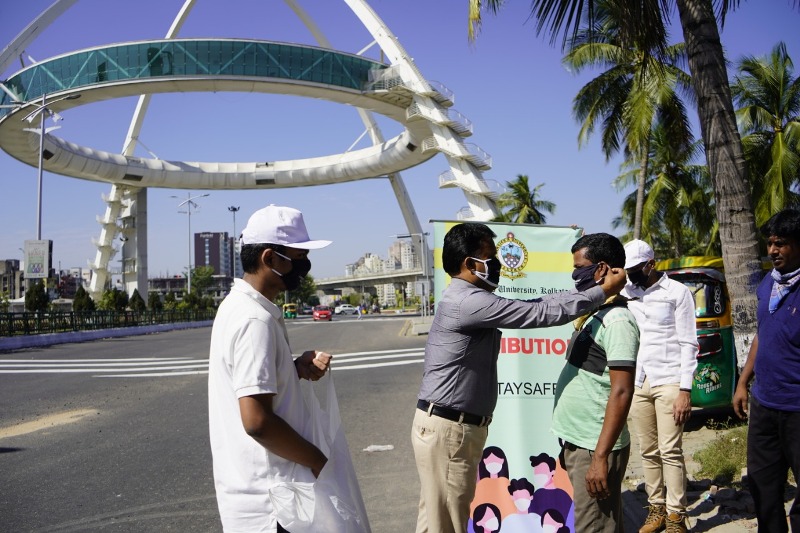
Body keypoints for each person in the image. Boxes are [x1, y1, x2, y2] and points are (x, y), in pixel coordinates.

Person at [412, 222, 628, 533]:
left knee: (438, 518)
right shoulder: (467, 301)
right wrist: (601, 292)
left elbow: (539, 305)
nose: (498, 265)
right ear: (470, 264)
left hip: (452, 429)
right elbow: (537, 314)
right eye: (491, 258)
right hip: (450, 431)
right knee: (446, 523)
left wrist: (592, 293)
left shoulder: (468, 297)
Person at [208, 205, 335, 533]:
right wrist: (318, 461)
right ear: (269, 258)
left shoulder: (241, 307)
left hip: (265, 495)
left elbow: (251, 384)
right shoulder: (254, 320)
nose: (304, 266)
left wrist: (293, 370)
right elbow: (258, 422)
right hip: (271, 504)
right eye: (298, 257)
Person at [551, 233, 640, 533]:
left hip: (595, 447)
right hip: (582, 443)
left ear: (601, 269)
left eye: (580, 268)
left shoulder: (617, 321)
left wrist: (599, 457)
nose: (575, 275)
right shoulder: (593, 313)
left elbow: (622, 390)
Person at [621, 239, 698, 533]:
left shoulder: (677, 292)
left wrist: (685, 390)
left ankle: (677, 515)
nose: (631, 275)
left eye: (635, 269)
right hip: (639, 380)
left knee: (671, 450)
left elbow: (689, 342)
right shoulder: (627, 292)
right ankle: (656, 508)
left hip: (669, 379)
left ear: (651, 264)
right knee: (648, 450)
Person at [733, 209, 800, 533]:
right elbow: (762, 333)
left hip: (797, 408)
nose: (773, 250)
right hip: (765, 405)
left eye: (781, 244)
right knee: (763, 488)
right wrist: (744, 381)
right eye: (770, 243)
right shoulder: (767, 286)